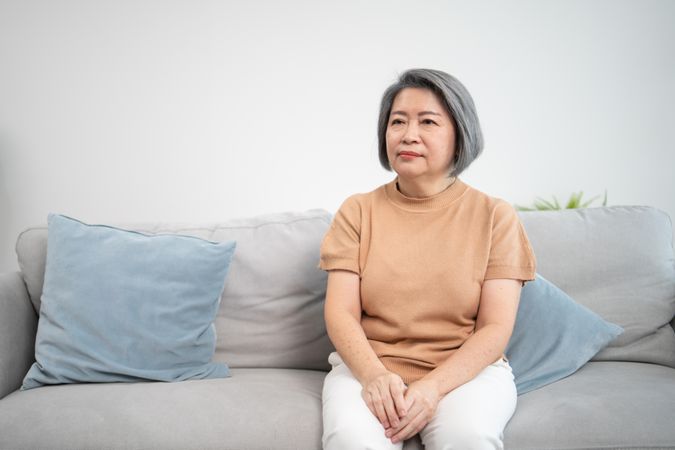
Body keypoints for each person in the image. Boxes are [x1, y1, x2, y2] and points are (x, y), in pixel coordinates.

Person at [318, 68, 536, 450]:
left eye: (428, 122)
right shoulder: (357, 211)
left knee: (469, 437)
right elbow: (341, 313)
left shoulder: (494, 216)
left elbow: (495, 328)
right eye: (397, 121)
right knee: (352, 439)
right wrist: (374, 377)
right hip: (368, 369)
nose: (408, 134)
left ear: (459, 136)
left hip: (465, 375)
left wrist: (432, 387)